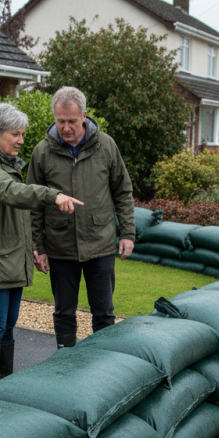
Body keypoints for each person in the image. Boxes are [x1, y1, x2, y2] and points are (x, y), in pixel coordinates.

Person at [0, 103, 83, 387]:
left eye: (22, 134)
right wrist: (52, 195)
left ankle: (5, 385)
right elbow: (11, 193)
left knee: (7, 326)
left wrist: (32, 248)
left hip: (10, 257)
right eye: (15, 134)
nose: (21, 140)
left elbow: (15, 217)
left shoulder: (4, 164)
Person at [26, 86, 135, 348]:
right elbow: (33, 203)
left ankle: (101, 365)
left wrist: (128, 233)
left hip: (101, 244)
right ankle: (66, 364)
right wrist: (38, 247)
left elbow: (123, 190)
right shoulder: (42, 152)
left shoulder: (105, 145)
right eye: (60, 121)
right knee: (64, 313)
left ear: (84, 116)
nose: (65, 127)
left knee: (104, 314)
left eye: (72, 121)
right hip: (60, 247)